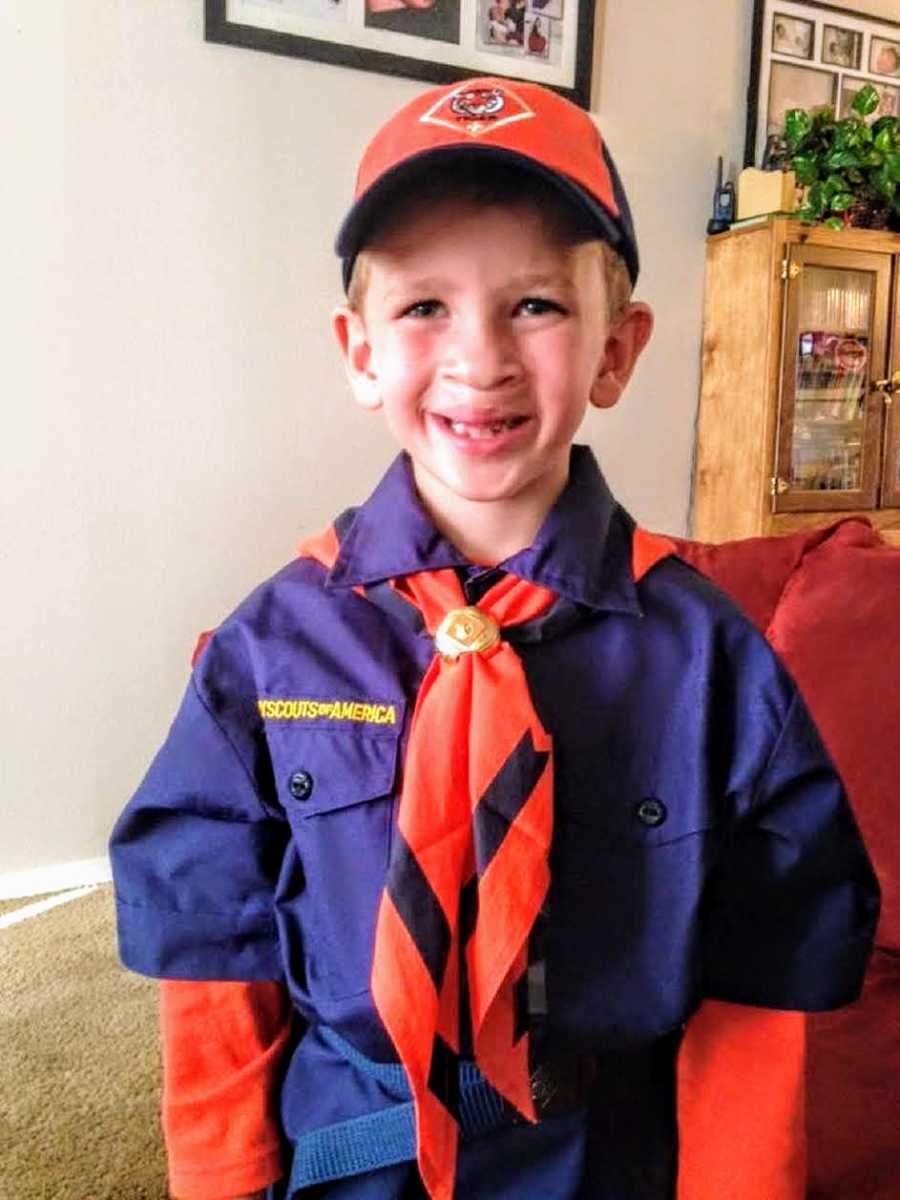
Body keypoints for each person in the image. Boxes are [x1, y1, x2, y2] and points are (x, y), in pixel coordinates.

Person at [110, 77, 879, 1200]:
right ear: (361, 351)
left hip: (609, 1160)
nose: (482, 358)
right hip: (353, 1155)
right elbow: (216, 965)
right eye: (424, 307)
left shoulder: (713, 659)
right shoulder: (273, 644)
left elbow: (764, 982)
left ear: (617, 351)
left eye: (536, 306)